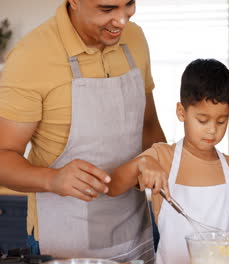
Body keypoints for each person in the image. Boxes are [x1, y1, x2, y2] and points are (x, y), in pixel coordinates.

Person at [0, 0, 166, 262]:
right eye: (107, 9)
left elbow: (149, 126)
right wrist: (52, 179)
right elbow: (2, 156)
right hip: (65, 245)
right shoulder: (31, 56)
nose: (122, 20)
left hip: (137, 235)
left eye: (129, 4)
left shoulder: (134, 38)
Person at [107, 58, 229, 264]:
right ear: (181, 112)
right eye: (202, 120)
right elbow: (112, 187)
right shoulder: (161, 157)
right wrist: (141, 164)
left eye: (221, 121)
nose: (212, 129)